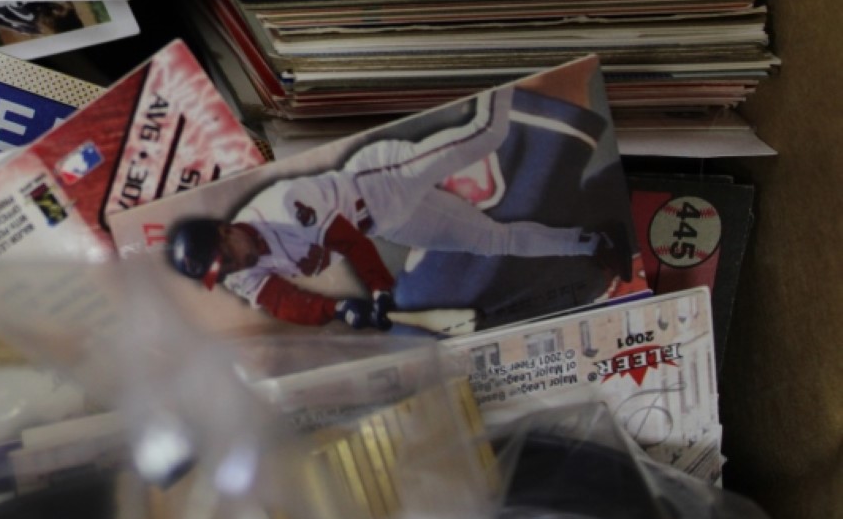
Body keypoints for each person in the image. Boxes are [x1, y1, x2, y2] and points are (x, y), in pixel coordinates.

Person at [168, 80, 634, 331]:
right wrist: (336, 311)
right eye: (222, 272)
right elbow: (282, 302)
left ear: (226, 231)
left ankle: (499, 67)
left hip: (382, 179)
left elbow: (348, 241)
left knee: (487, 134)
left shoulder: (280, 206)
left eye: (225, 257)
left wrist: (377, 289)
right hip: (390, 219)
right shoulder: (239, 272)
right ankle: (592, 242)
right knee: (493, 241)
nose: (232, 268)